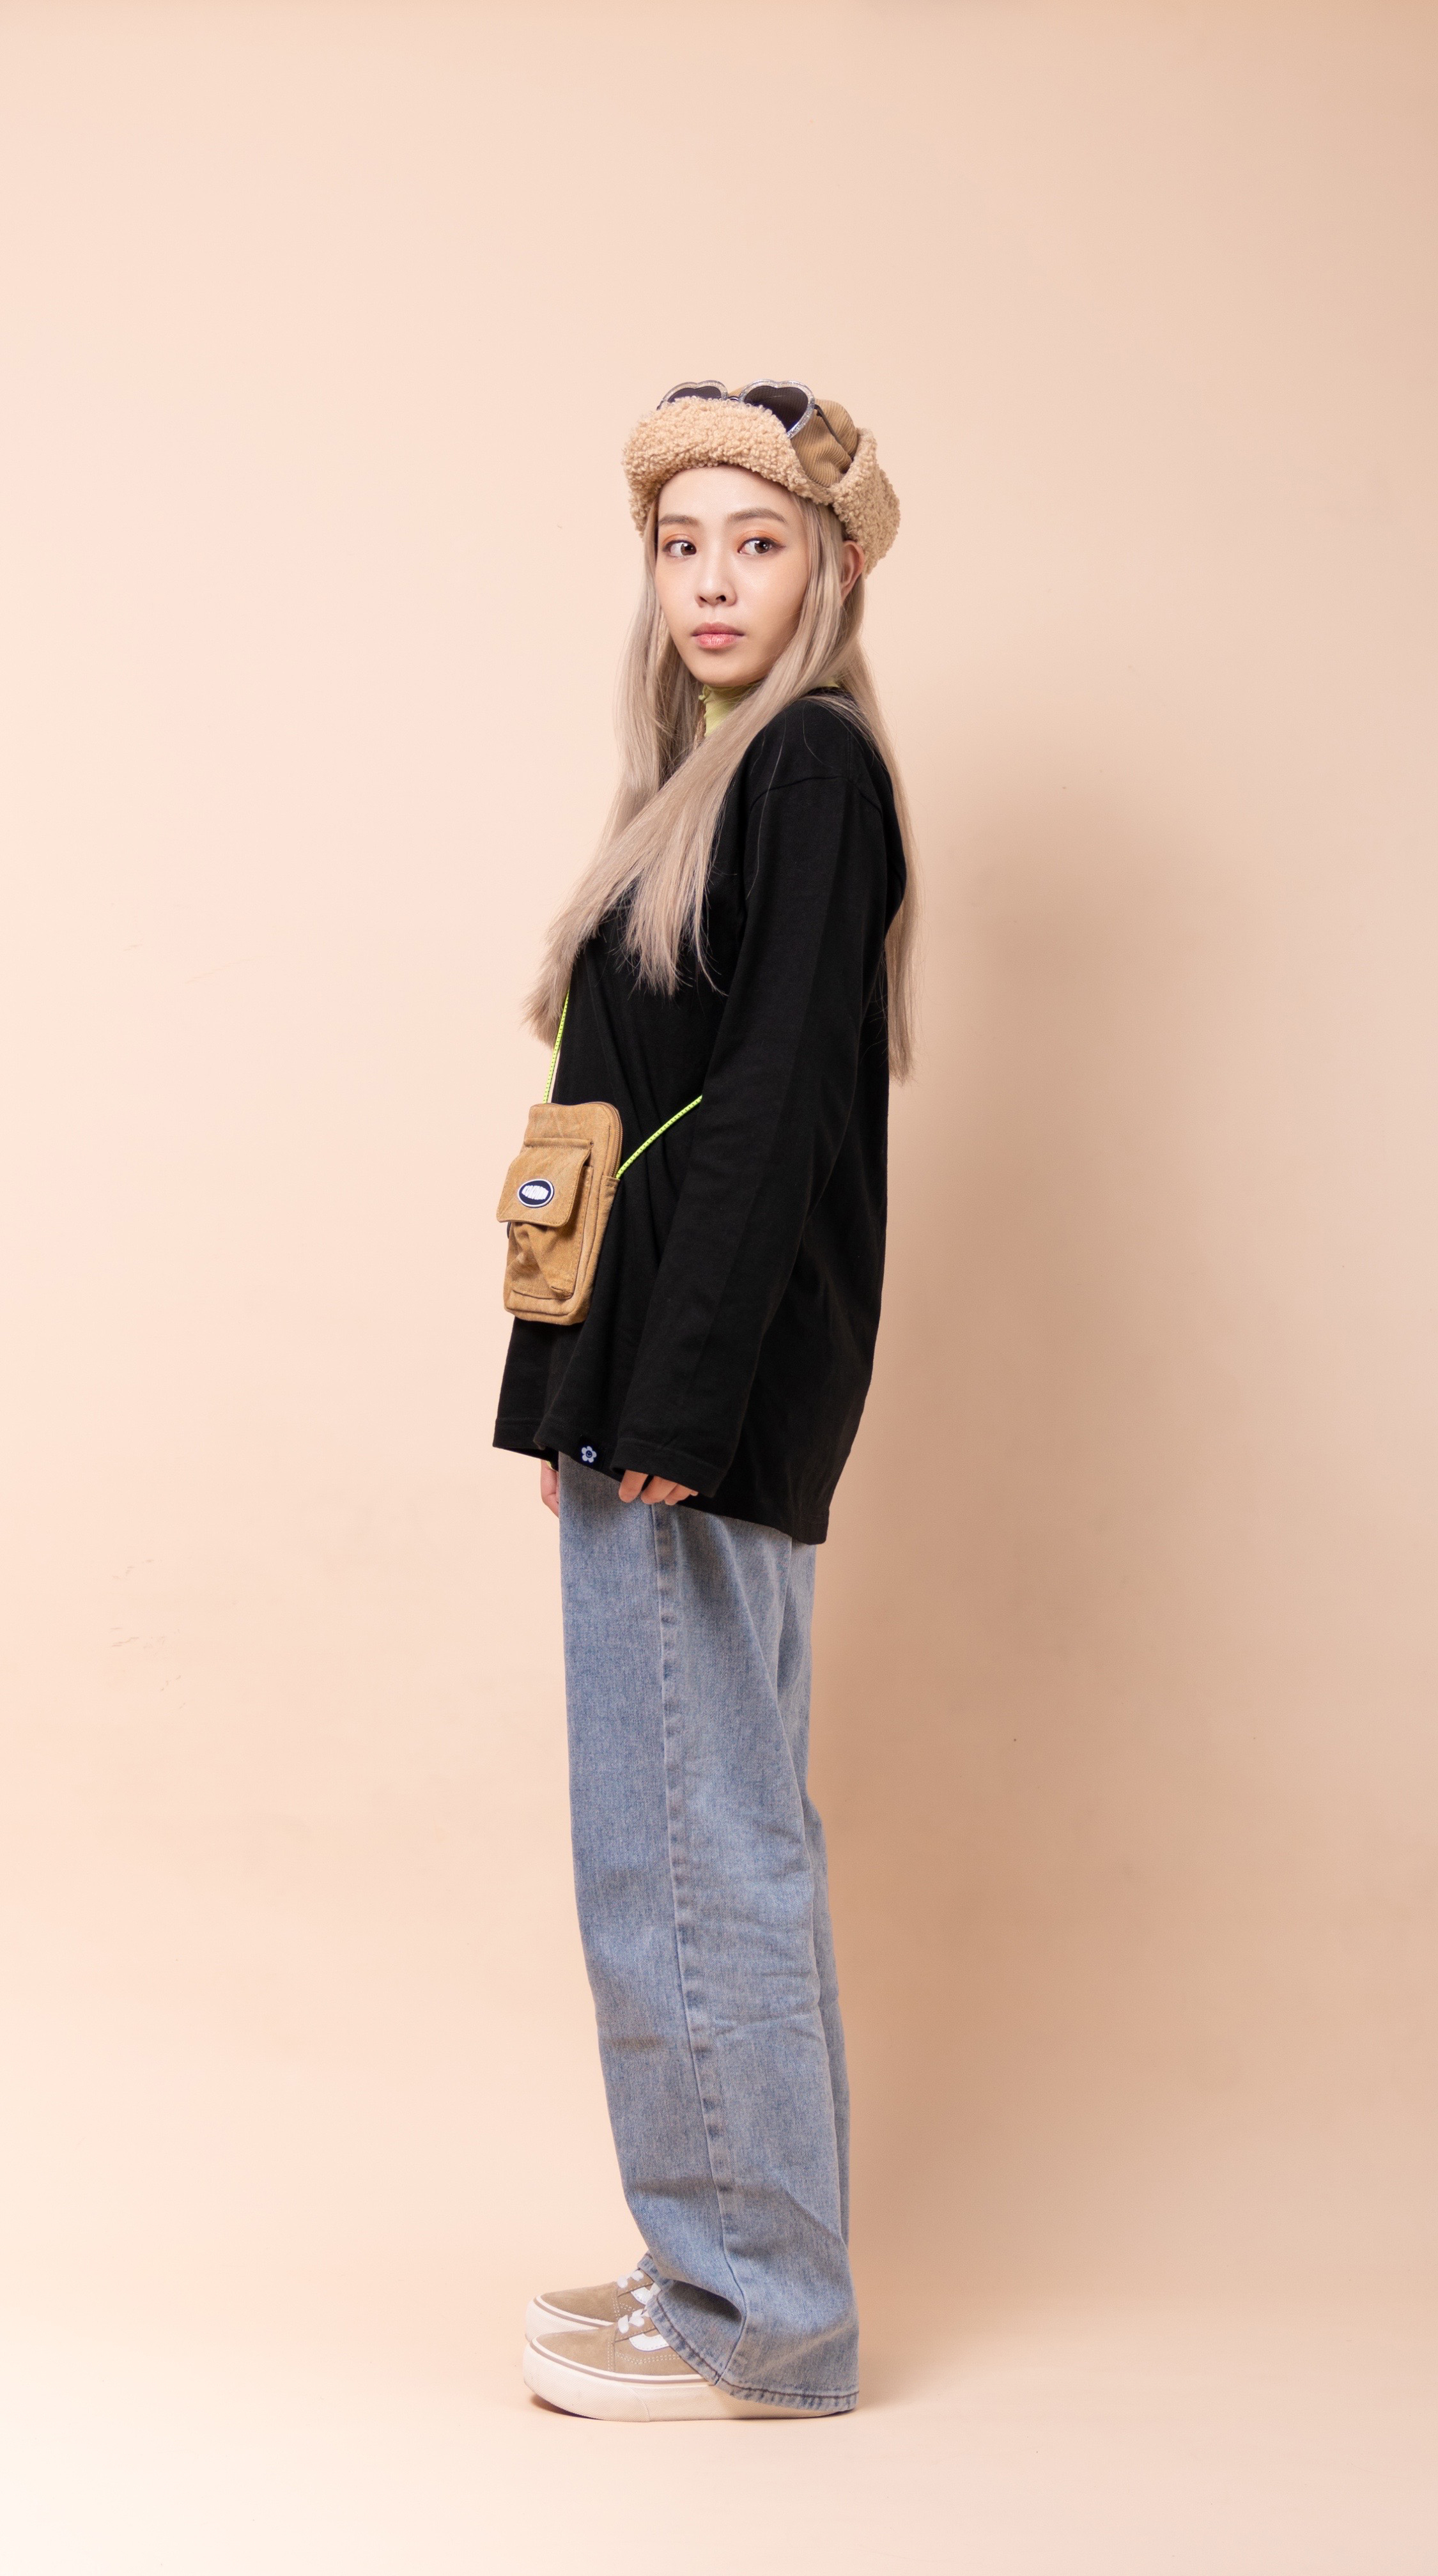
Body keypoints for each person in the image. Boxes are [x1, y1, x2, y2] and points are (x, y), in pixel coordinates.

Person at [494, 380, 915, 2421]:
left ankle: (761, 2319)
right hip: (657, 1387)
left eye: (757, 542)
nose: (713, 581)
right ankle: (734, 2275)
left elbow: (768, 1120)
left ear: (831, 570)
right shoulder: (702, 780)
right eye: (683, 545)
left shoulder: (808, 769)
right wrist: (569, 1389)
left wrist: (664, 1405)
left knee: (686, 1849)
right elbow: (619, 1132)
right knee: (697, 1836)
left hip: (701, 1405)